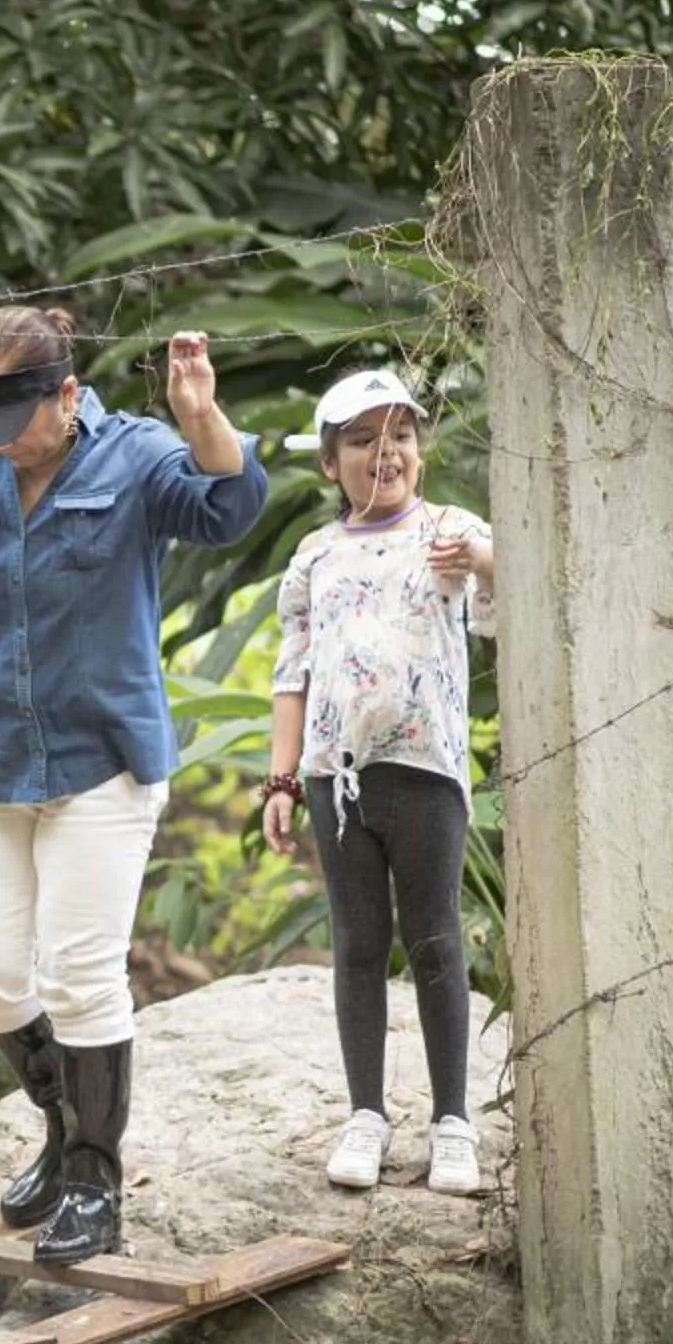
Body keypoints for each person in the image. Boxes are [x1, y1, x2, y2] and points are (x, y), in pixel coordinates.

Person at [0, 307, 267, 1264]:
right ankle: (57, 1132)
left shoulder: (135, 456)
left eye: (12, 426)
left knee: (78, 975)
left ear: (66, 397)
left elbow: (228, 509)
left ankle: (93, 1178)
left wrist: (202, 417)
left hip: (100, 762)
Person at [261, 367, 495, 1197]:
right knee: (359, 943)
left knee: (434, 938)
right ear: (332, 463)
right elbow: (294, 672)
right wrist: (282, 779)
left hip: (425, 772)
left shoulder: (451, 531)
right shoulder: (315, 557)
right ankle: (366, 1113)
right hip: (337, 778)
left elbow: (503, 598)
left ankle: (452, 1122)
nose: (384, 452)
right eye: (362, 440)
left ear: (420, 449)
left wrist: (481, 559)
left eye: (399, 435)